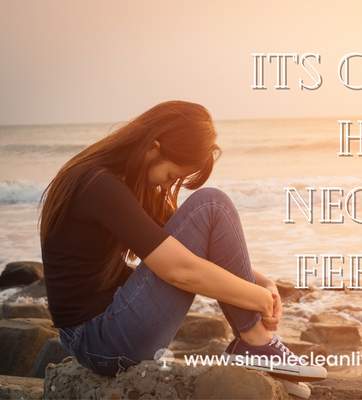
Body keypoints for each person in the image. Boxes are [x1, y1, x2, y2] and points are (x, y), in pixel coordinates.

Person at [39, 100, 325, 398]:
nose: (167, 187)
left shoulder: (123, 182)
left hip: (104, 332)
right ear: (153, 148)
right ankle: (255, 342)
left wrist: (263, 283)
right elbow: (180, 269)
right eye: (171, 176)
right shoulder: (100, 185)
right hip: (100, 339)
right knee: (212, 204)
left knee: (212, 210)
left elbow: (202, 243)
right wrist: (258, 299)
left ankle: (257, 349)